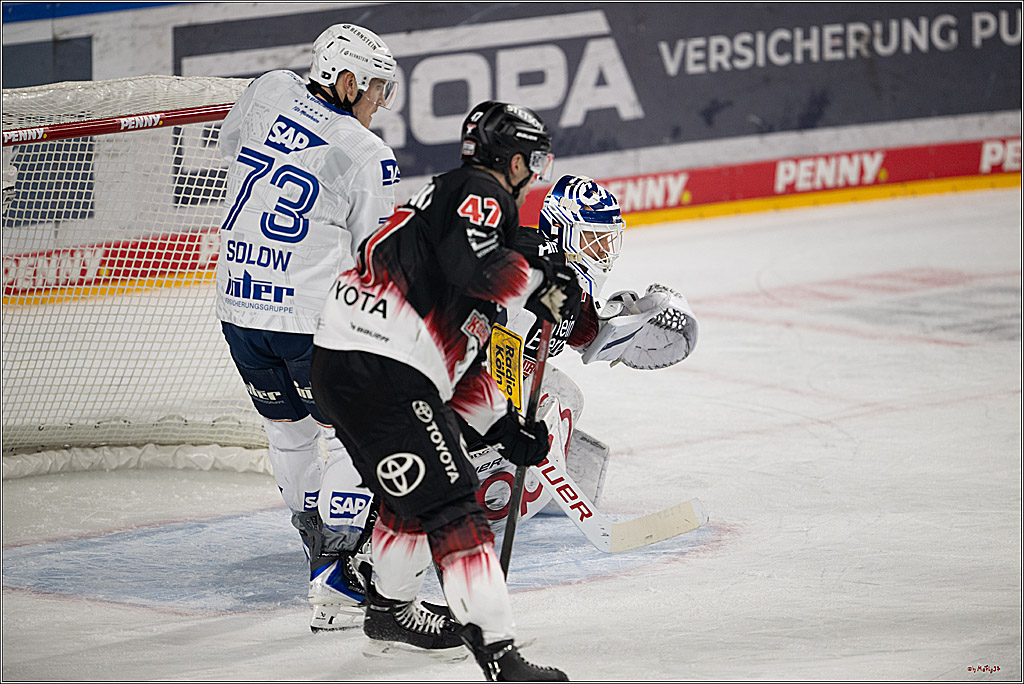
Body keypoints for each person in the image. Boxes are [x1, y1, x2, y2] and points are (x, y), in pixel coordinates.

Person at [311, 101, 576, 681]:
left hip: (347, 367)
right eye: (531, 161)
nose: (533, 174)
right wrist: (541, 286)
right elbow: (474, 264)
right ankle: (501, 657)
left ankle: (389, 612)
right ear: (511, 161)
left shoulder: (448, 226)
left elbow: (459, 361)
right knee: (454, 504)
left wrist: (503, 428)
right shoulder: (478, 190)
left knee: (411, 494)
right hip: (380, 366)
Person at [214, 23, 402, 633]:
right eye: (375, 88)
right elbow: (375, 257)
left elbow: (230, 151)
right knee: (355, 430)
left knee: (288, 429)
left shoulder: (269, 89)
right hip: (308, 320)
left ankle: (315, 547)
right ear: (345, 80)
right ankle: (340, 574)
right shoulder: (366, 152)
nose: (380, 102)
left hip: (237, 303)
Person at [470, 174, 700, 527]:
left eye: (608, 240)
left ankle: (527, 488)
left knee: (566, 397)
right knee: (545, 411)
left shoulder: (570, 286)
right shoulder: (525, 262)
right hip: (460, 390)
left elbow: (588, 332)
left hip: (497, 381)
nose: (603, 252)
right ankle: (483, 494)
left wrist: (632, 323)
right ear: (562, 231)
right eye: (593, 239)